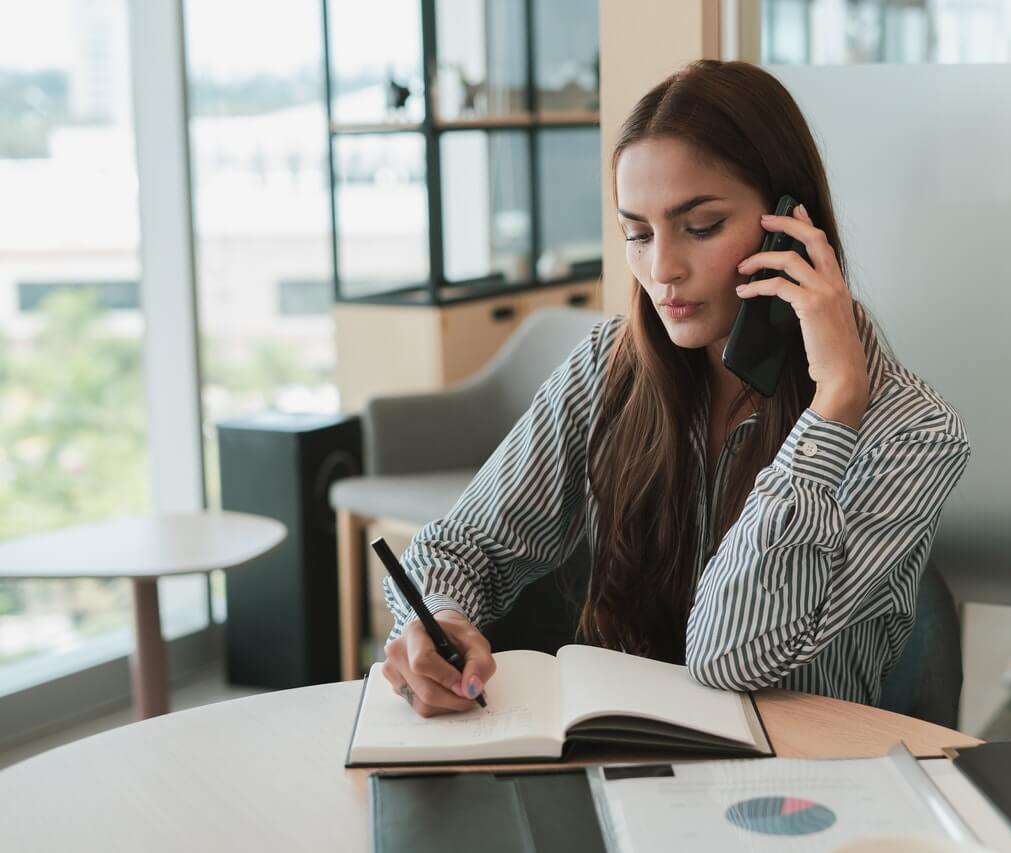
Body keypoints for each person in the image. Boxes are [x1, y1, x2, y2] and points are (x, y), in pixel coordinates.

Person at [381, 60, 971, 717]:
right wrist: (436, 617)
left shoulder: (912, 432)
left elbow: (731, 655)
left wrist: (832, 409)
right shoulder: (607, 367)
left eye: (701, 227)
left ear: (791, 224)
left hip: (807, 787)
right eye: (637, 233)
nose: (660, 269)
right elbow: (458, 549)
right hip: (631, 764)